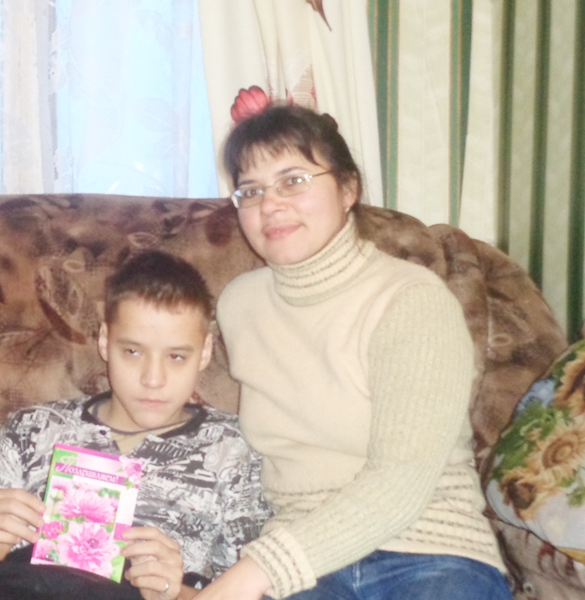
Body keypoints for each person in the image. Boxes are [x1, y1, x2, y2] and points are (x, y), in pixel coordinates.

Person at [193, 104, 512, 600]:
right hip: (307, 568)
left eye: (293, 181)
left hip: (432, 548)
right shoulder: (239, 305)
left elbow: (402, 482)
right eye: (251, 190)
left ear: (348, 189)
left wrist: (252, 572)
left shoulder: (411, 299)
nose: (270, 205)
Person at [0, 250, 271, 600]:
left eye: (176, 356)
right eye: (133, 352)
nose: (153, 379)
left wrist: (178, 592)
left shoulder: (233, 447)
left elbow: (257, 590)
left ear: (204, 353)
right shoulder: (33, 428)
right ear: (104, 341)